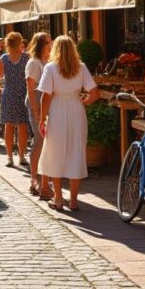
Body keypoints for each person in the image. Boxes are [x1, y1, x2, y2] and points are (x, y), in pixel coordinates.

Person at [39, 36, 100, 212]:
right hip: (76, 110)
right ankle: (73, 201)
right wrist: (84, 101)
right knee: (76, 153)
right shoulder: (80, 67)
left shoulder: (50, 68)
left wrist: (42, 118)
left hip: (57, 111)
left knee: (55, 153)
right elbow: (94, 93)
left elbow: (46, 96)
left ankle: (58, 198)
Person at [24, 32, 54, 199]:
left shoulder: (47, 61)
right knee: (40, 140)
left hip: (45, 104)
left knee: (46, 141)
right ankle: (34, 178)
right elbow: (30, 87)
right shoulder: (34, 63)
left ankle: (44, 179)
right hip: (36, 102)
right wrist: (36, 111)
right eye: (48, 42)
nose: (51, 44)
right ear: (41, 44)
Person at [0, 32, 30, 168]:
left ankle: (9, 157)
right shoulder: (26, 58)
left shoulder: (3, 58)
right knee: (23, 127)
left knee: (9, 126)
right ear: (20, 42)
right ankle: (22, 156)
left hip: (9, 94)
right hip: (23, 94)